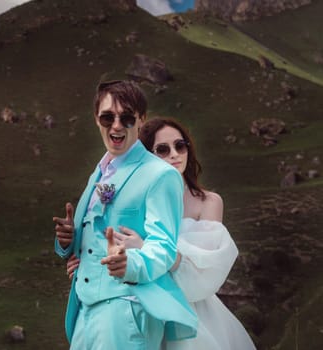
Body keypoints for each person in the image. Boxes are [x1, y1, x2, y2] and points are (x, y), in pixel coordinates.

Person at [67, 117, 256, 349]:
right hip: (138, 305)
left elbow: (206, 268)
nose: (175, 154)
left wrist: (145, 247)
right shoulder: (134, 197)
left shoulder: (208, 202)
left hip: (191, 310)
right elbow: (110, 247)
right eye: (162, 150)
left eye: (180, 145)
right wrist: (86, 263)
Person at [53, 81, 197, 349]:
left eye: (127, 117)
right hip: (85, 307)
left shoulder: (160, 175)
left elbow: (163, 247)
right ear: (97, 120)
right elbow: (94, 239)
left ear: (140, 121)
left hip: (127, 308)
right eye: (108, 117)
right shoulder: (99, 173)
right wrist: (68, 241)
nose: (116, 125)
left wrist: (130, 264)